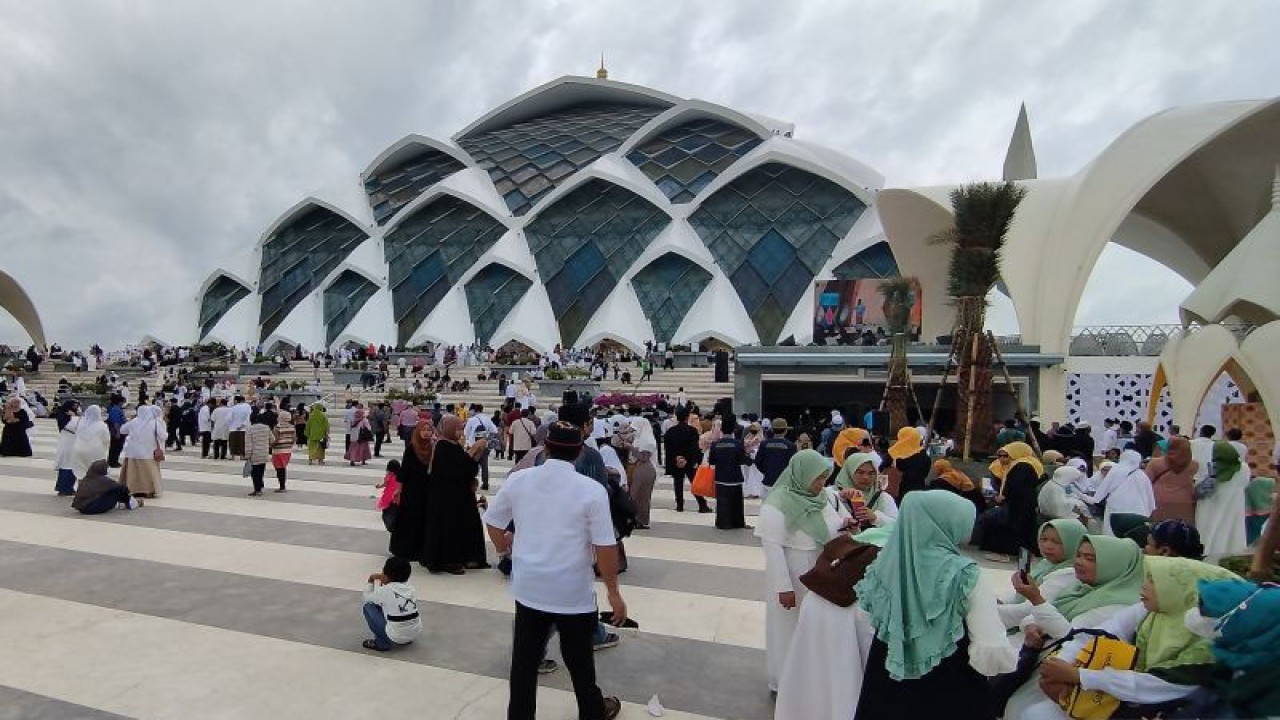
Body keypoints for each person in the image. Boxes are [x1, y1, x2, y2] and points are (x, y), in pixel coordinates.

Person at [481, 421, 625, 720]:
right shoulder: (592, 490)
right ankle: (592, 712)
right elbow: (606, 548)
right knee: (580, 664)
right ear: (579, 452)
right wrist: (613, 592)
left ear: (545, 447)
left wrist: (505, 549)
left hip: (530, 588)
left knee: (523, 664)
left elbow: (493, 522)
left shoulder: (519, 480)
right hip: (572, 593)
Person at [854, 491, 1018, 720]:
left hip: (887, 676)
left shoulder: (885, 564)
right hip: (950, 683)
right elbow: (990, 647)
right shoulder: (965, 573)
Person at [1023, 556, 1243, 720]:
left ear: (1184, 591)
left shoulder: (1207, 638)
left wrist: (1081, 676)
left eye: (1154, 581)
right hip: (1122, 696)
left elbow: (1165, 686)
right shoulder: (1151, 610)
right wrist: (1063, 661)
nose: (1144, 586)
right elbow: (1104, 630)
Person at [999, 534, 1149, 717]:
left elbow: (1073, 635)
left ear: (1113, 564)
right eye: (1079, 555)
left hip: (1068, 678)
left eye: (1090, 559)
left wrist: (1036, 600)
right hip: (1045, 664)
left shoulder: (1118, 605)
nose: (1079, 562)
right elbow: (1036, 614)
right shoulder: (1078, 588)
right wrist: (1030, 624)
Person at [755, 450, 853, 692]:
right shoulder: (777, 505)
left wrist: (843, 524)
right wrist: (784, 588)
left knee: (814, 627)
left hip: (820, 572)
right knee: (788, 627)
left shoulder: (822, 499)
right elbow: (773, 546)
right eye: (817, 478)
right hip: (794, 574)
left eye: (824, 478)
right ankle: (784, 680)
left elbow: (826, 526)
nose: (822, 484)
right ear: (802, 475)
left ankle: (810, 679)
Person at [775, 525, 888, 720]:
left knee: (815, 680)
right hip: (830, 601)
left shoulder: (868, 552)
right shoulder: (885, 567)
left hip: (824, 593)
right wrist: (782, 585)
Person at [420, 415, 490, 573]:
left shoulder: (452, 445)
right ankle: (448, 561)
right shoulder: (443, 446)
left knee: (464, 525)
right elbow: (456, 470)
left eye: (461, 429)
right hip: (447, 498)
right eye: (457, 429)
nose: (460, 432)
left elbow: (467, 468)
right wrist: (472, 450)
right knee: (449, 528)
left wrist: (476, 453)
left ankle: (467, 557)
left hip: (458, 496)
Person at [996, 519, 1088, 619]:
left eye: (1056, 542)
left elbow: (1029, 609)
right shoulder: (1047, 564)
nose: (1047, 546)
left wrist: (990, 610)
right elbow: (1018, 596)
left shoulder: (1070, 573)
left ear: (1075, 544)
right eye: (1043, 539)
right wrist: (1001, 601)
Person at [977, 442, 1044, 560]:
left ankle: (1005, 554)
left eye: (1006, 455)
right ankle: (1025, 555)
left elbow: (1015, 485)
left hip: (1018, 504)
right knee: (1024, 529)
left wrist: (1004, 496)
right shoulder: (1027, 464)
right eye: (1000, 456)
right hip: (1024, 503)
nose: (1002, 459)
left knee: (1009, 526)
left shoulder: (1022, 466)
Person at [1084, 449, 1156, 536]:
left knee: (1113, 535)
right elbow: (1151, 501)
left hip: (1116, 511)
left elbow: (1098, 497)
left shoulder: (1115, 471)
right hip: (1138, 512)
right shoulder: (1142, 475)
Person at [1196, 441, 1249, 556]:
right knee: (1231, 530)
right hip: (1235, 504)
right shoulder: (1244, 468)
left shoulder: (1211, 467)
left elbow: (1201, 489)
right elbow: (1246, 483)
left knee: (1211, 532)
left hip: (1212, 504)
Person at [361, 556, 422, 652]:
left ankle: (382, 643)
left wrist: (371, 579)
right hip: (415, 632)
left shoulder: (384, 591)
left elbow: (367, 598)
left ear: (385, 575)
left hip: (396, 636)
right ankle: (406, 639)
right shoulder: (411, 589)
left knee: (368, 607)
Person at [834, 451, 898, 528]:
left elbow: (897, 526)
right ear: (849, 472)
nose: (866, 477)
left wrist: (876, 517)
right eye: (860, 472)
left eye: (871, 473)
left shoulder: (882, 497)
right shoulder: (833, 495)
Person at [708, 414, 751, 530]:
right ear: (733, 430)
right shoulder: (738, 444)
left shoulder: (715, 445)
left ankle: (723, 523)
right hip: (735, 477)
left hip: (721, 477)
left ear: (721, 430)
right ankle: (737, 522)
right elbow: (742, 460)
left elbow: (711, 461)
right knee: (736, 502)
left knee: (722, 502)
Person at [663, 407, 708, 513]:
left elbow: (668, 448)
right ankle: (702, 504)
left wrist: (677, 458)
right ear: (687, 417)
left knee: (678, 483)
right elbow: (694, 447)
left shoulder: (670, 431)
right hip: (689, 460)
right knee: (694, 482)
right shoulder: (692, 431)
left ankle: (679, 505)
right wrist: (692, 459)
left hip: (676, 460)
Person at [1145, 435, 1198, 524]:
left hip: (1158, 501)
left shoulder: (1155, 463)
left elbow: (1146, 483)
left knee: (1158, 531)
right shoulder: (1194, 465)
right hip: (1185, 502)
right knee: (1181, 531)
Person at [119, 405, 165, 498]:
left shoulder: (134, 422)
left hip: (132, 453)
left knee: (133, 473)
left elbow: (122, 430)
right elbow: (163, 436)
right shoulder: (154, 423)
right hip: (148, 453)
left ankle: (132, 490)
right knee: (147, 474)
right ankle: (147, 490)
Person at [71, 460, 142, 514]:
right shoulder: (103, 480)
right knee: (116, 491)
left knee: (113, 490)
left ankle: (129, 502)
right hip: (91, 508)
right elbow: (123, 489)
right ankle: (132, 503)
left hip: (81, 508)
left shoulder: (86, 478)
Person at [71, 405, 110, 487]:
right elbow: (106, 439)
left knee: (81, 472)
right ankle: (92, 492)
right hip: (95, 451)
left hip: (79, 450)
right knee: (95, 472)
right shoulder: (102, 425)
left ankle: (81, 490)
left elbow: (76, 434)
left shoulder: (81, 422)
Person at [53, 401, 81, 495]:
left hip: (73, 443)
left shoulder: (72, 416)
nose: (76, 408)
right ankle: (64, 489)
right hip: (68, 444)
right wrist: (74, 417)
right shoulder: (63, 416)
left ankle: (67, 488)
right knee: (67, 466)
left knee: (71, 466)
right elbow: (71, 427)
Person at [245, 412, 272, 496]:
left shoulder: (250, 429)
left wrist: (247, 455)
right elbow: (272, 439)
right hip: (264, 453)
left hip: (254, 454)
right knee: (261, 471)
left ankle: (257, 490)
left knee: (254, 473)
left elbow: (248, 444)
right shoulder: (266, 428)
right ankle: (260, 485)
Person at [270, 411, 295, 492]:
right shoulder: (292, 427)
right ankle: (282, 485)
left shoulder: (277, 427)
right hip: (288, 450)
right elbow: (294, 439)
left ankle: (282, 486)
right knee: (283, 467)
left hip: (278, 450)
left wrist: (271, 445)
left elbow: (276, 439)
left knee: (279, 469)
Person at [376, 459, 402, 532]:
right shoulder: (400, 475)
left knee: (387, 507)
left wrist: (379, 486)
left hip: (389, 493)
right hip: (397, 493)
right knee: (395, 506)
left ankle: (390, 521)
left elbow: (385, 484)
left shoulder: (389, 475)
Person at [227, 395, 251, 460]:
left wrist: (232, 425)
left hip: (233, 428)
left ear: (236, 401)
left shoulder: (233, 408)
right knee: (242, 443)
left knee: (233, 443)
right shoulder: (247, 407)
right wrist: (242, 425)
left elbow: (228, 419)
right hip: (243, 428)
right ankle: (242, 456)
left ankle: (233, 455)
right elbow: (248, 417)